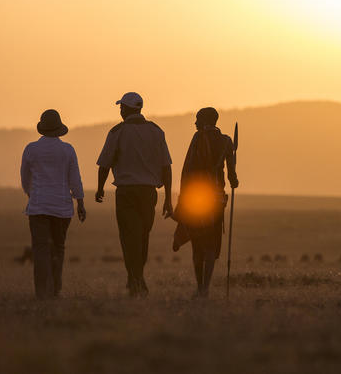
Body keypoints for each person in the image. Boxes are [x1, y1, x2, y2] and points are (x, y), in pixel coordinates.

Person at [95, 92, 173, 297]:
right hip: (148, 193)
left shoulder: (117, 132)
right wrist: (169, 199)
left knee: (129, 238)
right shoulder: (156, 131)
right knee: (142, 237)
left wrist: (100, 188)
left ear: (127, 109)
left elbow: (104, 164)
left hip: (126, 192)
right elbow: (166, 167)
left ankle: (135, 280)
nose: (120, 111)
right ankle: (137, 279)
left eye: (121, 108)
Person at [172, 107, 238, 298]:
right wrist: (234, 181)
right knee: (211, 244)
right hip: (217, 200)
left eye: (197, 119)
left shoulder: (197, 138)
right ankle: (205, 288)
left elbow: (187, 170)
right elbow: (233, 177)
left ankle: (200, 287)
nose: (194, 123)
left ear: (204, 121)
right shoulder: (226, 141)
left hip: (197, 200)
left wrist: (182, 199)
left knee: (197, 243)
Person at [20, 109, 86, 299]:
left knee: (40, 249)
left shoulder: (31, 149)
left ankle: (42, 291)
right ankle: (55, 289)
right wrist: (80, 203)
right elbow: (75, 179)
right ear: (59, 129)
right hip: (62, 208)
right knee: (58, 248)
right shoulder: (67, 150)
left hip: (38, 206)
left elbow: (25, 178)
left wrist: (32, 195)